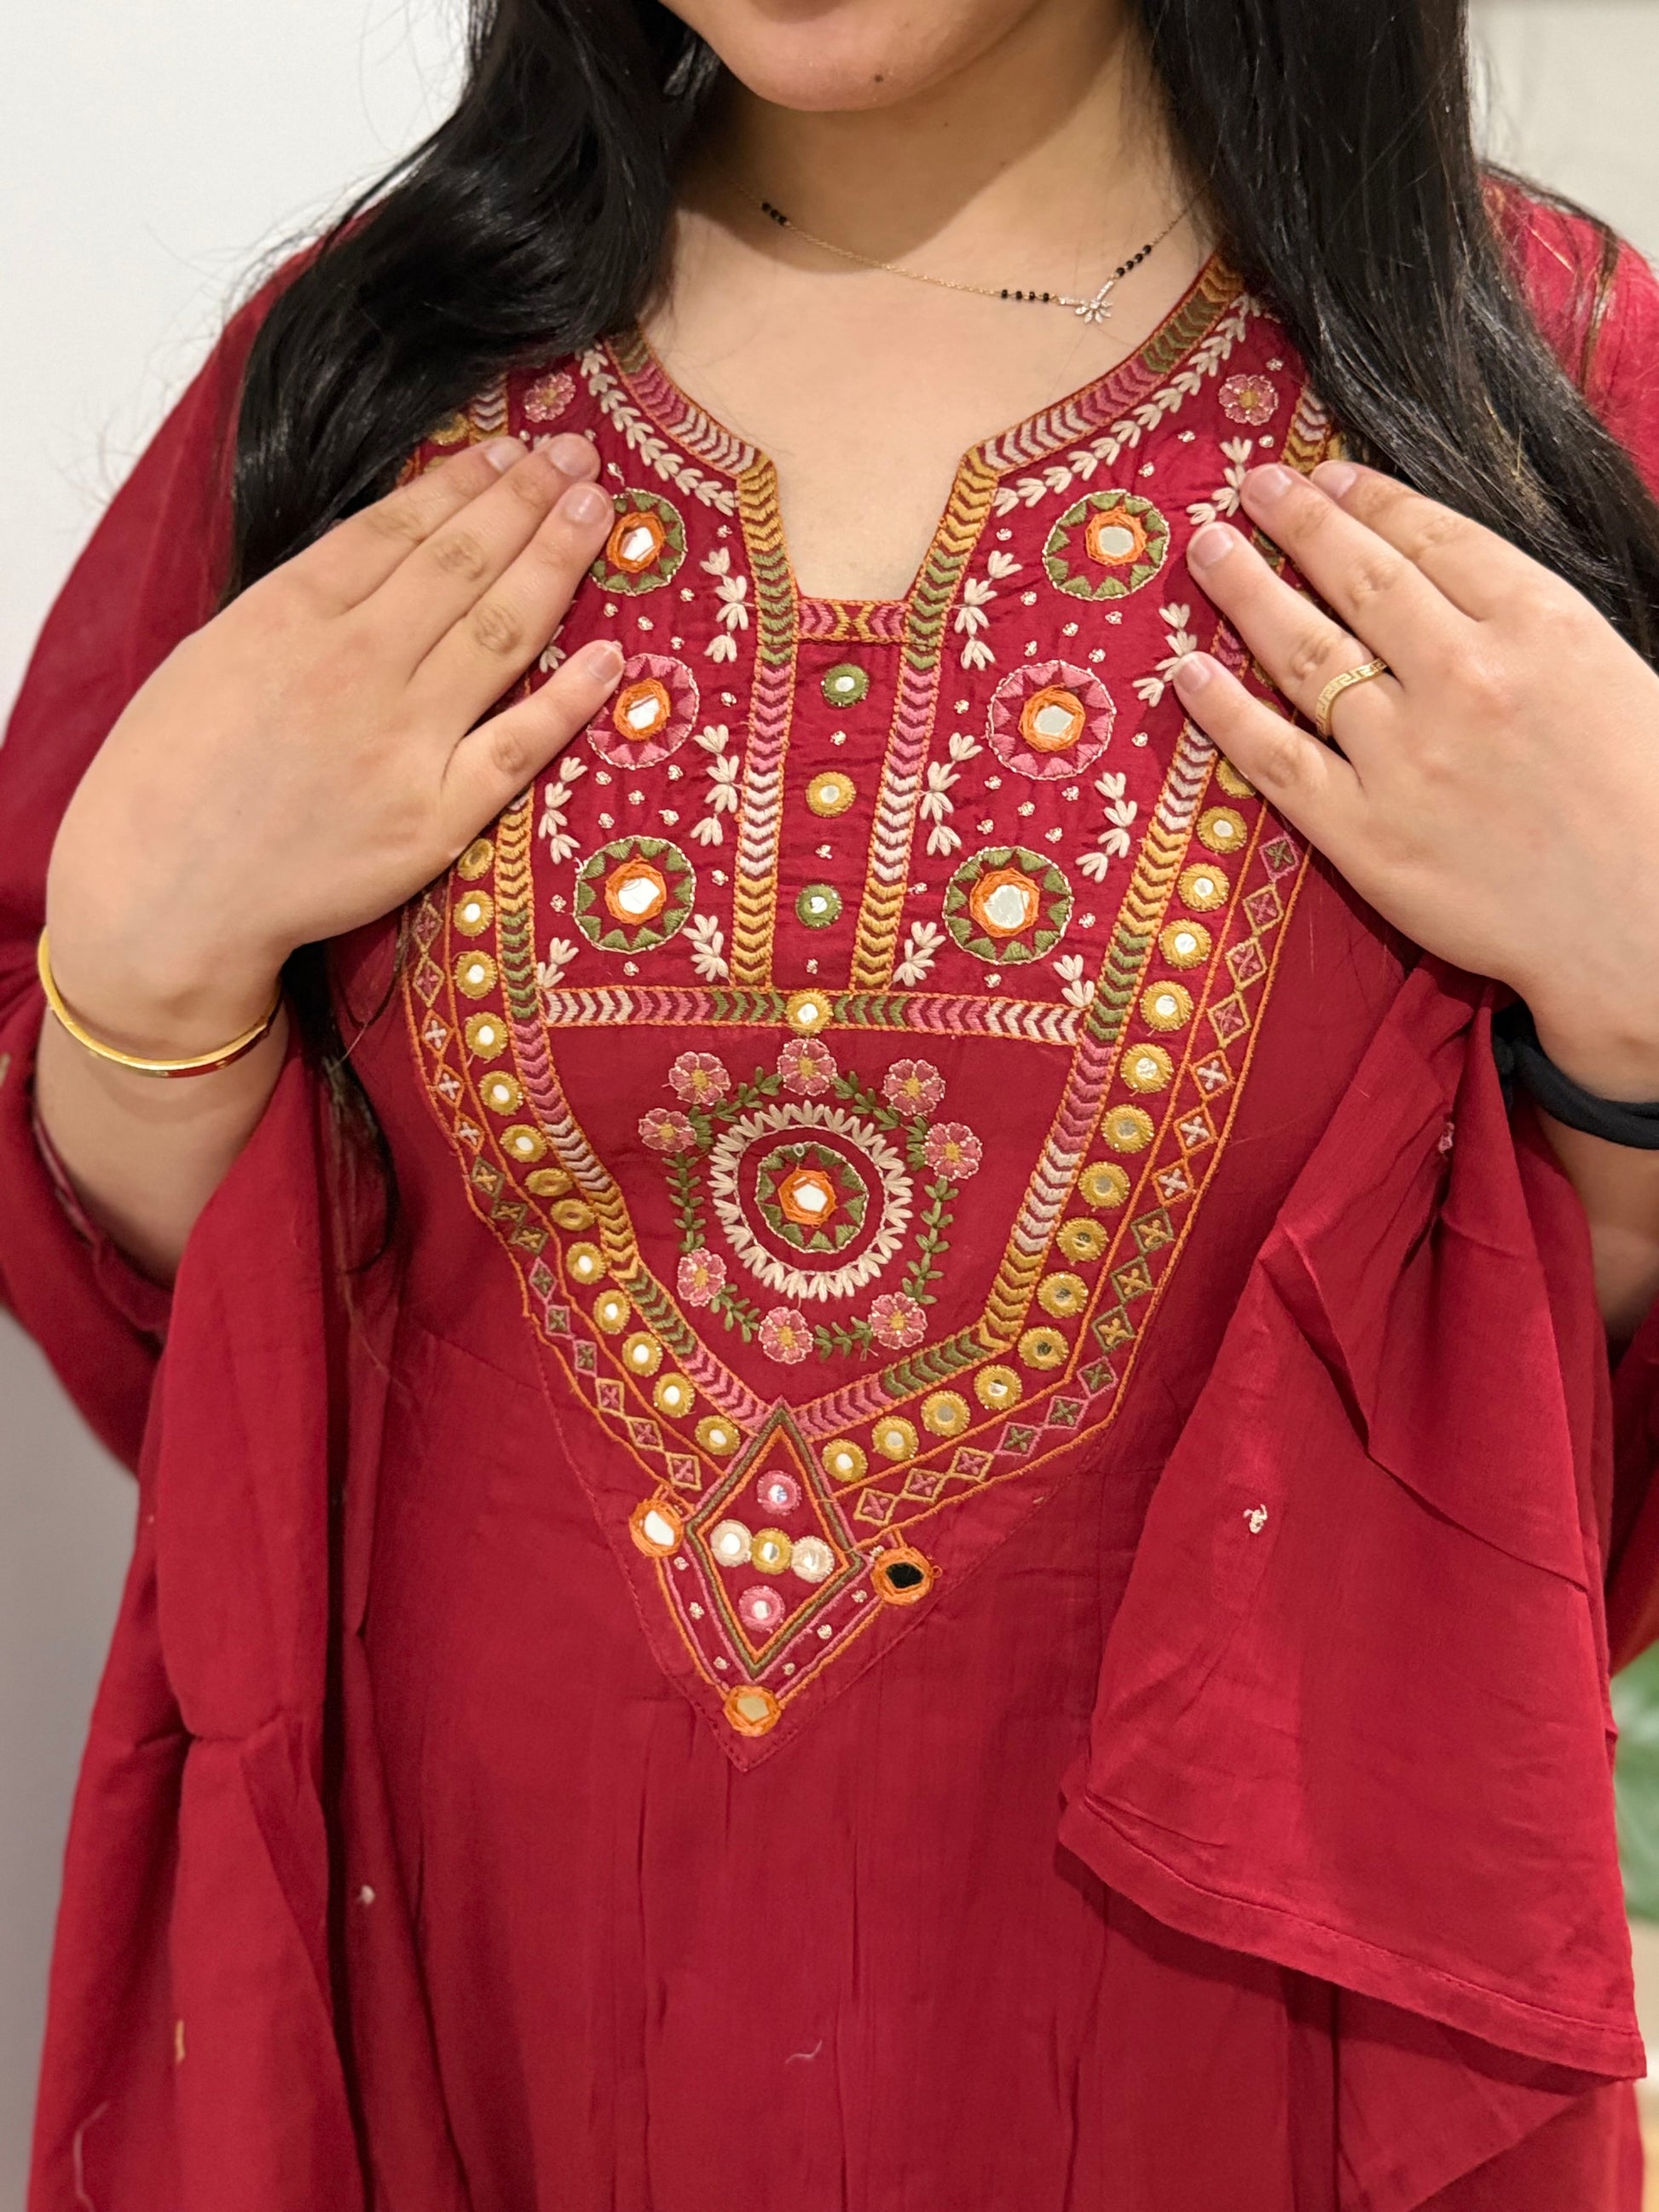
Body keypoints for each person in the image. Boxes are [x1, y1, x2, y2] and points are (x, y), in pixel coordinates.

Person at [7, 0, 1659, 2203]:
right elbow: (180, 1332)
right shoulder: (371, 378)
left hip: (1219, 2075)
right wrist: (139, 962)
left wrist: (1641, 998)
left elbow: (1557, 1462)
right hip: (461, 2021)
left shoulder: (1525, 392)